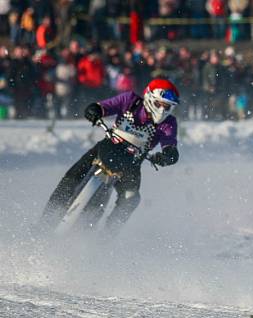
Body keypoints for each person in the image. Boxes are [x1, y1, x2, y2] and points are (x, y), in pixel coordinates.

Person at [41, 79, 181, 232]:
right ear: (149, 97)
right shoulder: (130, 100)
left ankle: (105, 238)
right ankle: (44, 223)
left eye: (166, 106)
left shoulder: (169, 123)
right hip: (108, 148)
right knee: (72, 177)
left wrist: (169, 155)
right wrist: (95, 110)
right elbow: (105, 106)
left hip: (131, 165)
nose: (162, 110)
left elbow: (169, 142)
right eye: (158, 104)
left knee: (130, 199)